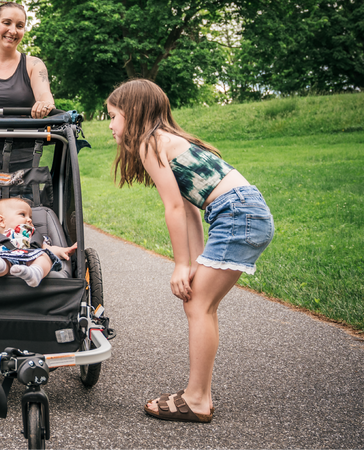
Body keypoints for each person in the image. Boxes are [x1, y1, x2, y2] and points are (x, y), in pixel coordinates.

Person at [106, 79, 274, 423]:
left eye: (113, 116)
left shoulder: (150, 143)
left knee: (198, 304)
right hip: (246, 211)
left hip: (238, 214)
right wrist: (196, 262)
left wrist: (181, 265)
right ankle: (200, 395)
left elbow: (173, 208)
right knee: (200, 303)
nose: (110, 124)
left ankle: (196, 398)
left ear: (132, 114)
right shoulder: (170, 141)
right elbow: (191, 208)